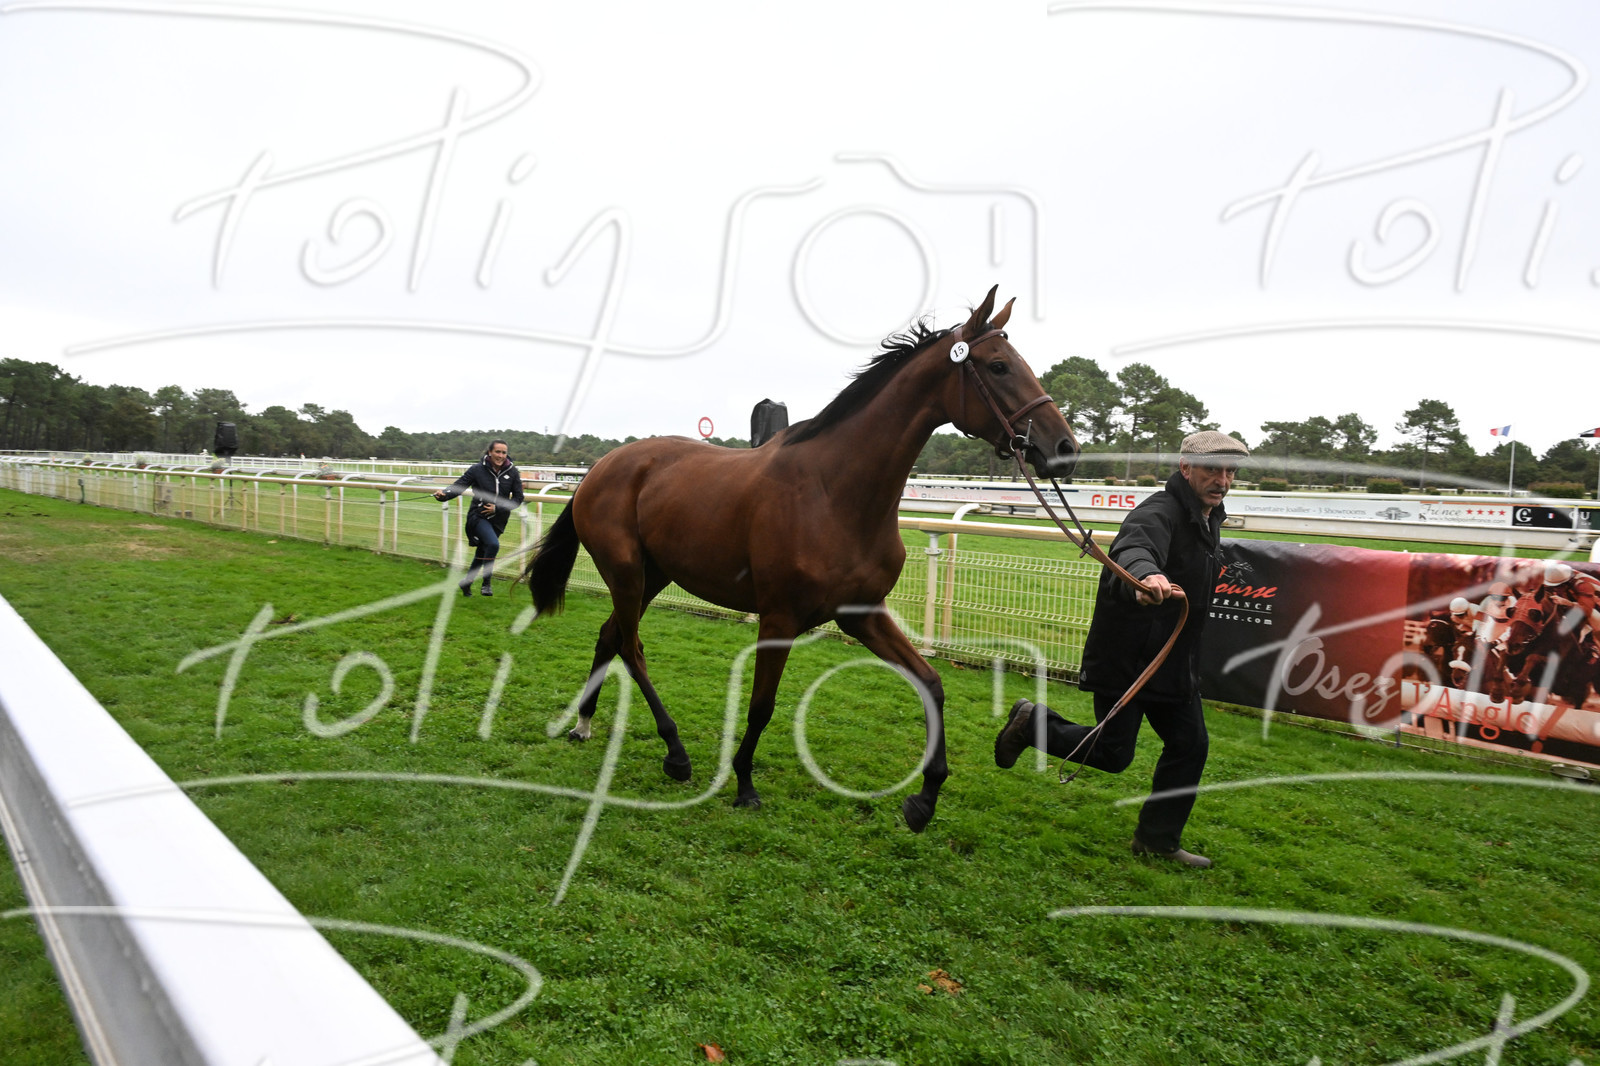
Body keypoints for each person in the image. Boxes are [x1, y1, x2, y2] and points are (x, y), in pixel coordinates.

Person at [994, 429, 1250, 868]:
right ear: (1186, 468)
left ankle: (1156, 840)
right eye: (1212, 470)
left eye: (1229, 472)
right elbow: (1134, 548)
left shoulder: (1208, 516)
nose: (1222, 480)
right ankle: (1031, 724)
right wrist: (1146, 576)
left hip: (1173, 662)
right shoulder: (1158, 511)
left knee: (1190, 746)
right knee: (1114, 755)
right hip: (1128, 659)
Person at [434, 440, 524, 596]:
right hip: (479, 516)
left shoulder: (513, 472)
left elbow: (518, 498)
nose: (501, 456)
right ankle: (486, 583)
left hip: (499, 519)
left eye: (504, 452)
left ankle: (466, 583)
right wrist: (444, 495)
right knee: (493, 545)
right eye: (497, 452)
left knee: (483, 551)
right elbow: (459, 486)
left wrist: (498, 508)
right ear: (489, 452)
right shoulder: (477, 469)